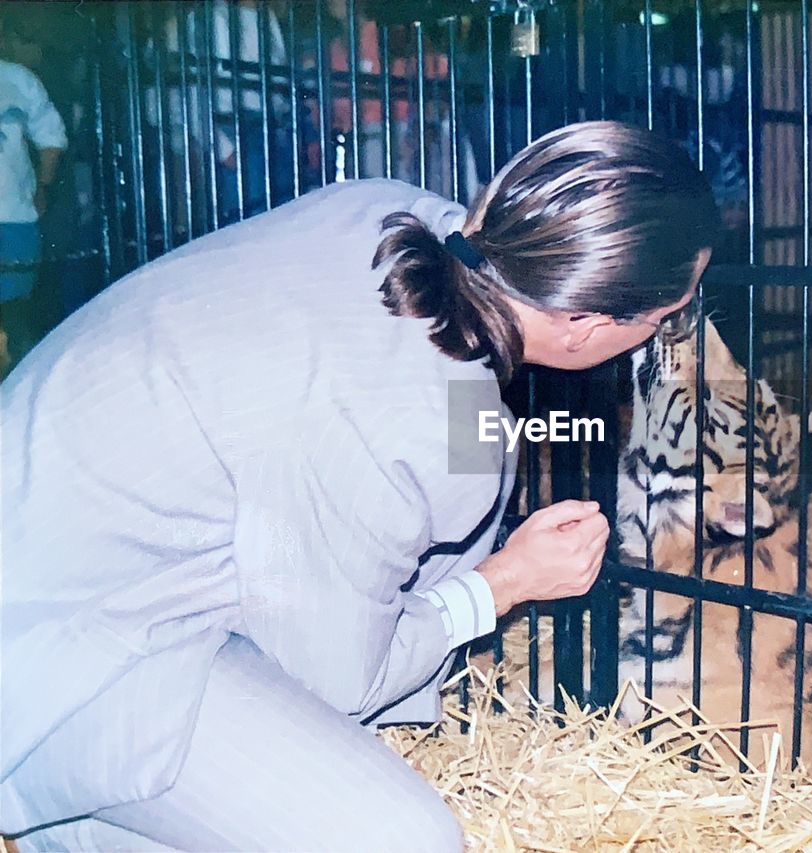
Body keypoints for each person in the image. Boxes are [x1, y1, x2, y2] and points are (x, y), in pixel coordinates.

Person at [1, 120, 719, 851]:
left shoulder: (392, 213)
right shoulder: (406, 419)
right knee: (405, 839)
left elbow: (429, 454)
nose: (669, 331)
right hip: (66, 643)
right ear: (584, 324)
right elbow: (336, 677)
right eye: (668, 316)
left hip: (66, 522)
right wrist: (504, 583)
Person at [0, 15, 66, 374]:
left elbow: (51, 136)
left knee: (16, 318)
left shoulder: (18, 79)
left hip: (15, 218)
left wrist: (44, 186)